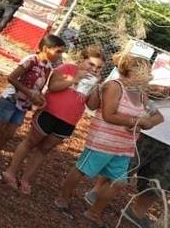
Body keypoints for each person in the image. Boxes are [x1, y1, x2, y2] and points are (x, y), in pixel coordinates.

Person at [54, 52, 163, 226]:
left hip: (124, 146)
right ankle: (62, 199)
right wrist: (136, 121)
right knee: (82, 169)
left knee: (119, 182)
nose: (149, 76)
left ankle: (94, 212)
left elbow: (158, 116)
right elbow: (108, 115)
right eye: (145, 72)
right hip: (103, 141)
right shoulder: (114, 86)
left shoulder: (141, 94)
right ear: (132, 72)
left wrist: (147, 122)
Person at [2, 46, 104, 193]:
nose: (94, 69)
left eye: (99, 67)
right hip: (50, 112)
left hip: (69, 120)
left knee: (45, 149)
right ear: (82, 60)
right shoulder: (67, 68)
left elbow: (92, 105)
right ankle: (10, 172)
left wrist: (97, 89)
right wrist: (76, 79)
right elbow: (53, 86)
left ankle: (26, 179)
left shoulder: (94, 81)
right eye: (91, 64)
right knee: (30, 142)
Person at [0, 34, 66, 182]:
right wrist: (29, 93)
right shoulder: (31, 60)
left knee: (9, 133)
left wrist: (39, 98)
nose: (60, 55)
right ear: (46, 48)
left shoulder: (47, 67)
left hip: (23, 105)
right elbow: (12, 78)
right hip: (11, 99)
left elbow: (38, 87)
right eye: (58, 51)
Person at [83, 100, 170, 228]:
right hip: (150, 129)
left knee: (159, 182)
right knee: (123, 168)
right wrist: (137, 119)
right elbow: (147, 93)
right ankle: (97, 194)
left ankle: (137, 213)